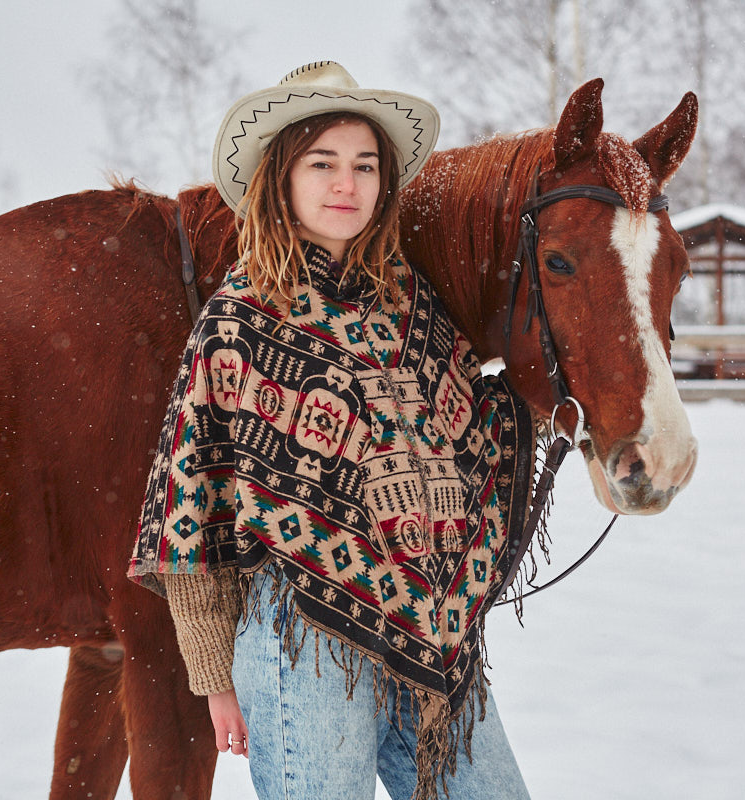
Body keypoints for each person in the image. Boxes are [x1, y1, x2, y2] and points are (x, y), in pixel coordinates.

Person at [128, 61, 536, 800]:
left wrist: (544, 390)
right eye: (323, 164)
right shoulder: (239, 321)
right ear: (281, 178)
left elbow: (467, 437)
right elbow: (191, 512)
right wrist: (215, 678)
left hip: (429, 646)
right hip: (300, 643)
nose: (346, 183)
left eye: (364, 165)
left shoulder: (413, 307)